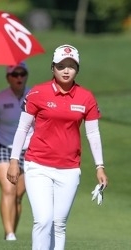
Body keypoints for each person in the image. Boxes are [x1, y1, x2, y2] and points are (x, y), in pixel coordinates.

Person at [7, 44, 109, 250]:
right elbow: (22, 128)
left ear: (77, 69)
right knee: (43, 220)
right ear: (52, 67)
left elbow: (93, 133)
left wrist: (100, 166)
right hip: (38, 165)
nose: (66, 70)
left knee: (59, 224)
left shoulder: (86, 97)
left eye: (71, 66)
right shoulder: (38, 93)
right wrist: (13, 160)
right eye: (61, 65)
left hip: (69, 168)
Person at [0, 62, 33, 241]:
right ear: (8, 78)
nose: (19, 77)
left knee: (18, 195)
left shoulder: (35, 96)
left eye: (22, 73)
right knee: (9, 189)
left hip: (28, 149)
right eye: (14, 74)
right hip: (3, 147)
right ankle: (10, 234)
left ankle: (10, 233)